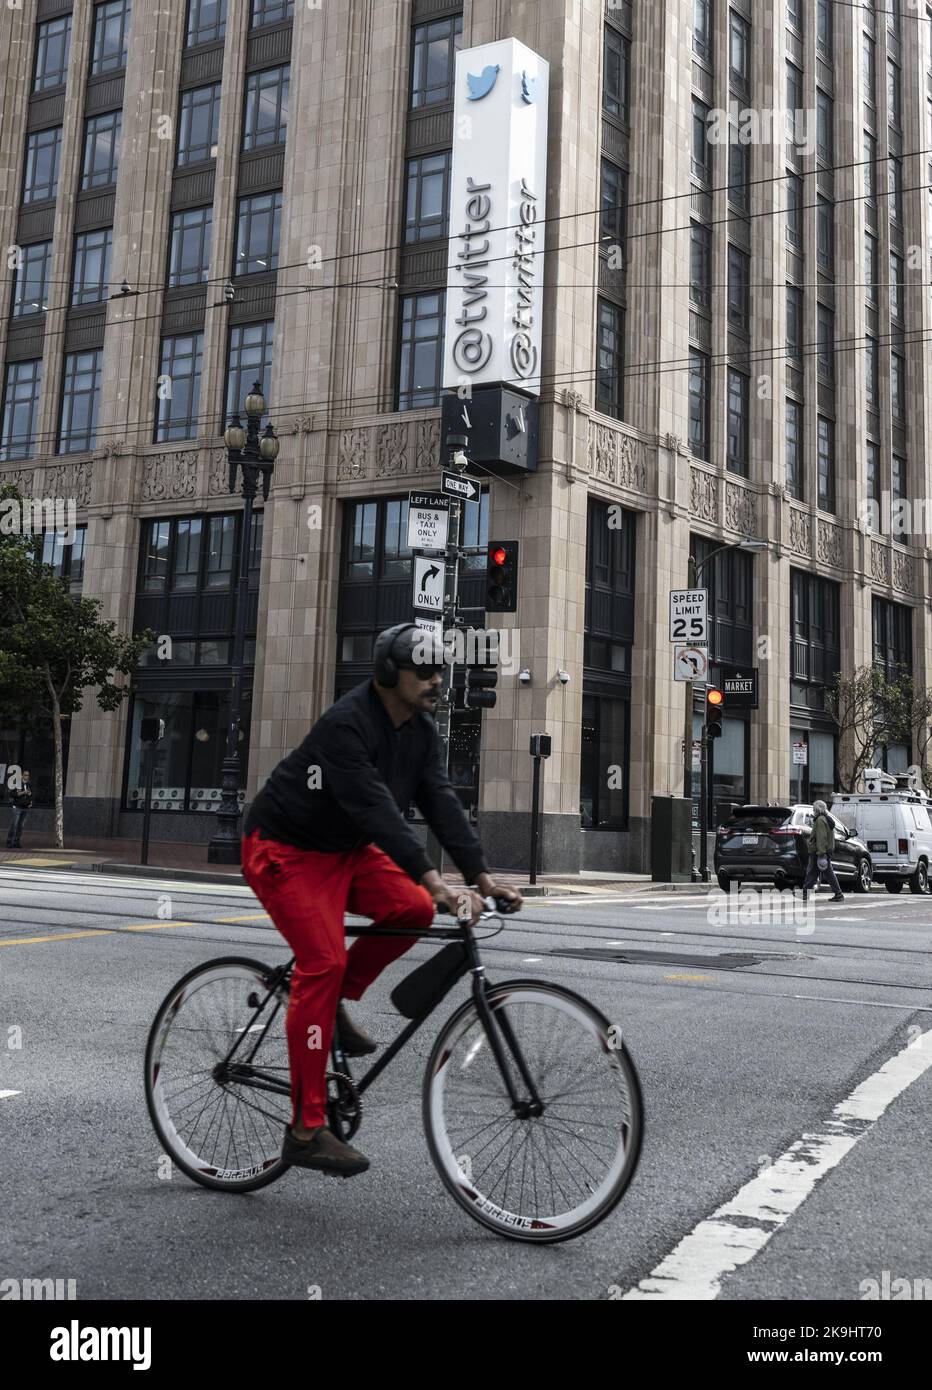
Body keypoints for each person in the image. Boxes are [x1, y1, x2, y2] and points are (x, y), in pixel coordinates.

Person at [240, 623, 523, 1178]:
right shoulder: (346, 725)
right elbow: (376, 810)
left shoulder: (420, 732)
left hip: (346, 851)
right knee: (321, 962)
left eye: (442, 669)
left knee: (411, 909)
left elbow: (439, 800)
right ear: (390, 673)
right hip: (284, 850)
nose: (437, 679)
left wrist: (482, 876)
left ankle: (332, 1001)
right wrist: (434, 878)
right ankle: (304, 1129)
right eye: (426, 670)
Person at [801, 799, 844, 902]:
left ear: (817, 809)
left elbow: (821, 837)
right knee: (824, 873)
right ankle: (838, 894)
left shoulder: (820, 820)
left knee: (813, 872)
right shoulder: (825, 819)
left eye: (814, 808)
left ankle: (806, 893)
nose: (813, 810)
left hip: (819, 852)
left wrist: (821, 853)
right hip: (822, 851)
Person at [5, 771, 32, 849]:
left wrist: (30, 802)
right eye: (25, 775)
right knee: (14, 825)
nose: (27, 776)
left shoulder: (29, 784)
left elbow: (31, 794)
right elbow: (12, 794)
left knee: (20, 826)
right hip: (17, 807)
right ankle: (9, 842)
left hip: (25, 808)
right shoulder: (17, 784)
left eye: (28, 775)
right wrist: (24, 792)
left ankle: (16, 842)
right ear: (22, 776)